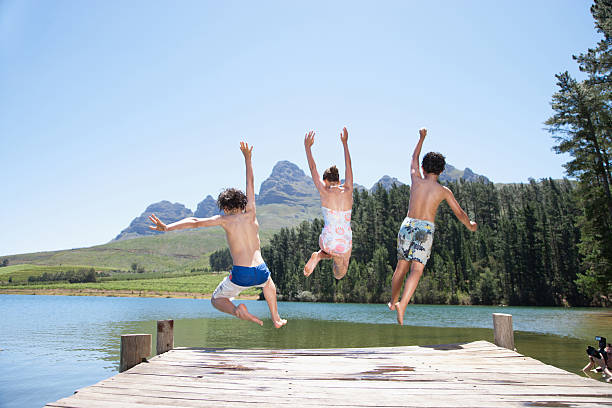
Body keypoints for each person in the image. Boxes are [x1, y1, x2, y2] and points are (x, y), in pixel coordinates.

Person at [148, 142, 286, 328]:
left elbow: (195, 221)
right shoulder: (251, 213)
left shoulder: (224, 220)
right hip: (261, 270)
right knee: (269, 284)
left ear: (226, 208)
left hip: (241, 273)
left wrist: (167, 227)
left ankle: (238, 311)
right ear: (242, 203)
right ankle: (276, 318)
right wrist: (248, 158)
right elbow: (250, 183)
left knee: (216, 299)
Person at [389, 128, 477, 325]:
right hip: (425, 230)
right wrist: (470, 225)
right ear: (442, 171)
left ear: (422, 167)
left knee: (401, 266)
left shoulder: (416, 180)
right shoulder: (444, 191)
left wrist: (421, 138)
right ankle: (403, 303)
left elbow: (413, 156)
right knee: (416, 270)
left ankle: (393, 300)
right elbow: (460, 213)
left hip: (408, 224)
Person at [303, 127, 354, 279]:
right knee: (340, 273)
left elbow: (313, 168)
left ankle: (320, 255)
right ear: (339, 181)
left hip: (327, 241)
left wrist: (307, 148)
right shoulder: (348, 189)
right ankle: (330, 256)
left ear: (325, 181)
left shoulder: (324, 191)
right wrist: (345, 144)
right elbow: (348, 166)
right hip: (344, 240)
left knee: (333, 253)